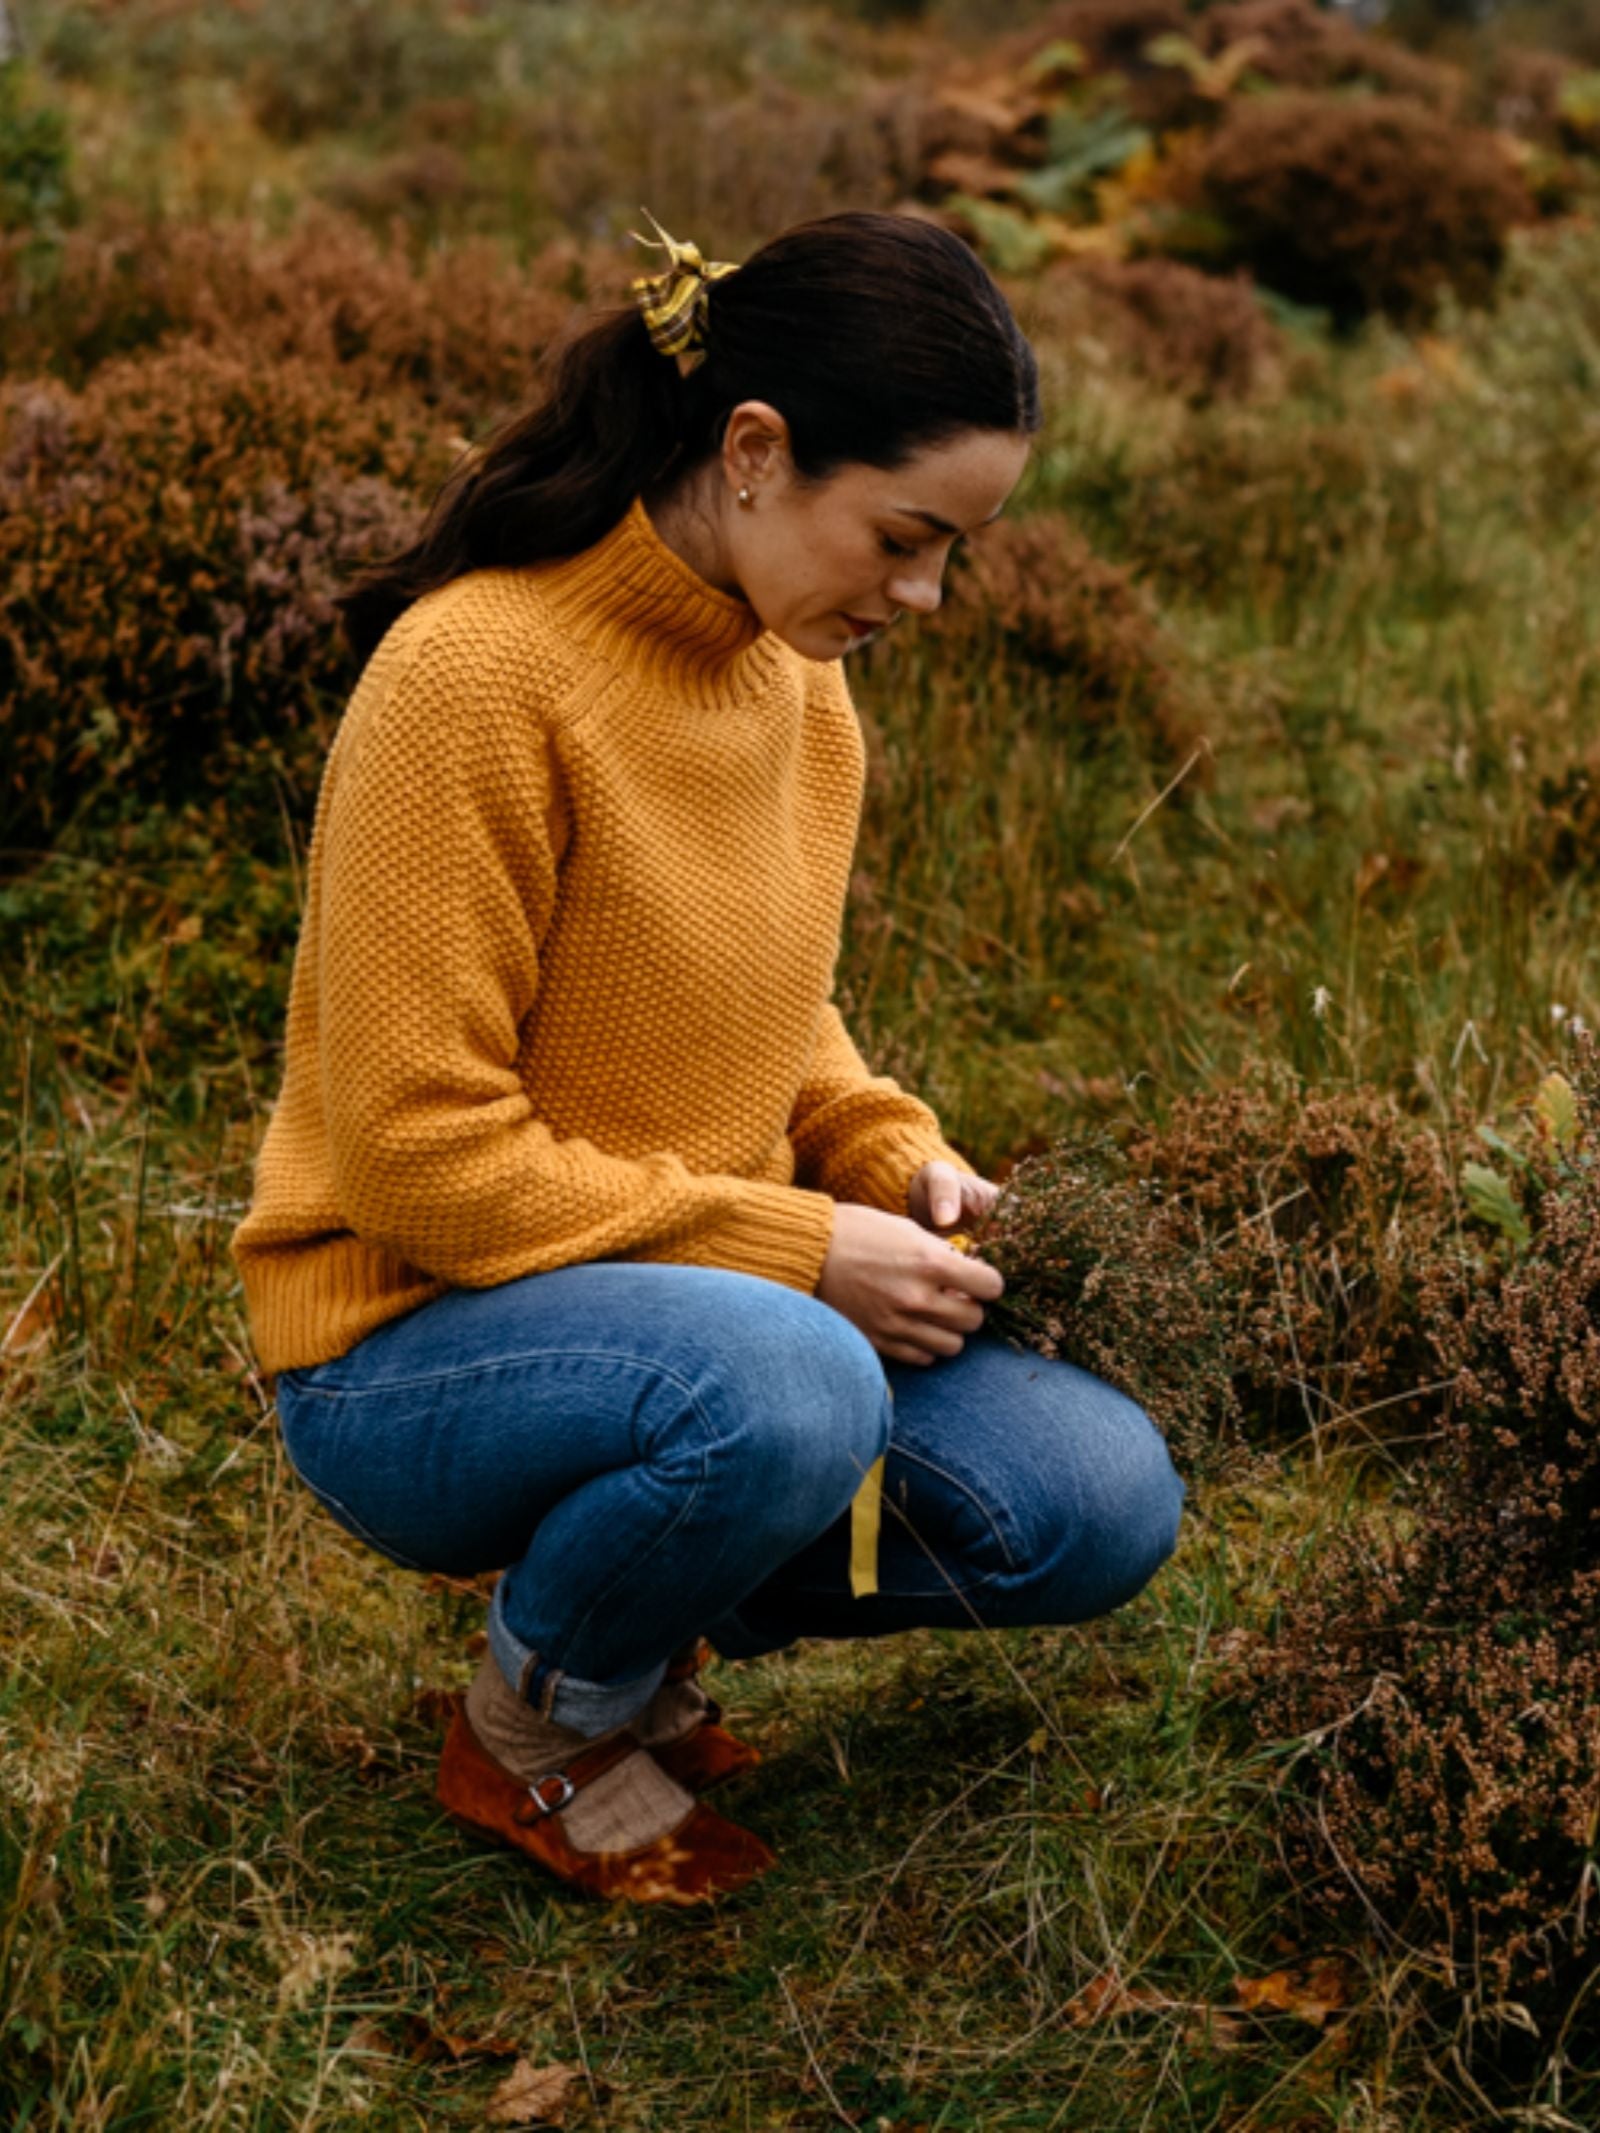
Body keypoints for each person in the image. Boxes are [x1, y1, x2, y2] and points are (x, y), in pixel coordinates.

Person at [231, 209, 1184, 1908]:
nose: (926, 594)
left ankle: (647, 1587)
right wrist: (803, 1250)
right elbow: (413, 1150)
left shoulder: (799, 693)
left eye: (956, 550)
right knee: (793, 1380)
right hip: (406, 1348)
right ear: (755, 452)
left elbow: (767, 1008)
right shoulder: (475, 677)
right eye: (904, 536)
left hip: (681, 1325)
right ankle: (546, 1718)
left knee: (1097, 1497)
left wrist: (889, 1154)